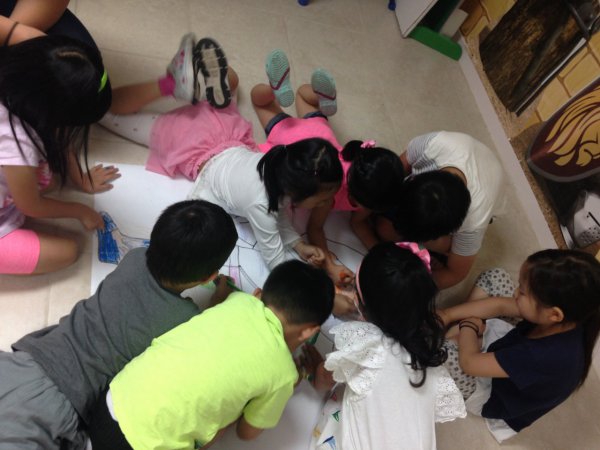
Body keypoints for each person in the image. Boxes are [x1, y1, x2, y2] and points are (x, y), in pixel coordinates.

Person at [0, 200, 238, 449]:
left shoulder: (135, 258)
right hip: (64, 403)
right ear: (209, 277)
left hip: (30, 360)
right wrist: (218, 304)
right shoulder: (187, 319)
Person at [100, 37, 340, 273]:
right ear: (296, 190)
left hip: (223, 129)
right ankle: (170, 84)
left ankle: (225, 81)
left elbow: (279, 215)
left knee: (230, 90)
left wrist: (299, 245)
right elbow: (275, 259)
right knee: (106, 112)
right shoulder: (261, 205)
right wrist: (323, 282)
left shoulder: (276, 165)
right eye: (321, 200)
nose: (325, 205)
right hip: (190, 143)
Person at [86, 259, 335, 450]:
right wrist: (294, 379)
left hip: (109, 402)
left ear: (258, 294)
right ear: (309, 331)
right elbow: (246, 434)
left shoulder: (238, 301)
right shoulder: (283, 374)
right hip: (144, 445)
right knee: (219, 428)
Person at [251, 49, 405, 286]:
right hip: (293, 140)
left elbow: (358, 223)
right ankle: (273, 92)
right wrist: (330, 266)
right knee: (259, 102)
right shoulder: (329, 191)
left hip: (320, 133)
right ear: (356, 199)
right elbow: (315, 229)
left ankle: (307, 95)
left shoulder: (366, 169)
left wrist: (380, 253)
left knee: (302, 98)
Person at [301, 242, 466, 450]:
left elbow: (323, 381)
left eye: (356, 291)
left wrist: (320, 370)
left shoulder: (367, 345)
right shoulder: (429, 361)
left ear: (361, 306)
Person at [438, 249, 600, 442]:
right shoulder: (569, 317)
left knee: (442, 354)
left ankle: (455, 333)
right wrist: (447, 314)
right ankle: (457, 331)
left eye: (522, 292)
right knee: (495, 277)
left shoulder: (544, 356)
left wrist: (468, 325)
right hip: (509, 350)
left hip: (492, 396)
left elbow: (469, 364)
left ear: (554, 314)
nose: (516, 292)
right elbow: (500, 305)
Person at [0, 35, 121, 275]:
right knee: (67, 251)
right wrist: (80, 210)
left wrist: (82, 180)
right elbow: (31, 206)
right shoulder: (17, 148)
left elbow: (58, 136)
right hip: (12, 202)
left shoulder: (18, 83)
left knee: (51, 182)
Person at [379, 131, 504, 289]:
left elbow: (456, 274)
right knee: (385, 229)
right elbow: (391, 176)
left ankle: (439, 248)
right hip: (463, 151)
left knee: (443, 251)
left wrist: (407, 288)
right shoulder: (430, 146)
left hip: (489, 184)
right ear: (414, 179)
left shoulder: (473, 223)